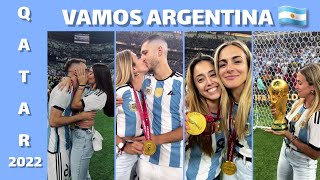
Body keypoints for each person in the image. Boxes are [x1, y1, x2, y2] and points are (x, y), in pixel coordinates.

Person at [135, 34, 184, 179]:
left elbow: (189, 128)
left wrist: (156, 140)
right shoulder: (143, 82)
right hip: (146, 159)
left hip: (174, 164)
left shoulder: (183, 84)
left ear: (160, 51)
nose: (142, 57)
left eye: (145, 52)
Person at [267, 63, 320, 180]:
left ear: (313, 87)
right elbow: (286, 124)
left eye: (300, 83)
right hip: (285, 153)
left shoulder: (317, 115)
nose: (295, 86)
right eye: (296, 81)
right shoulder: (298, 103)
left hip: (303, 163)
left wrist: (288, 135)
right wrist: (278, 115)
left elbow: (315, 154)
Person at [47, 58, 96, 180]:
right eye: (85, 70)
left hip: (66, 143)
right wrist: (80, 117)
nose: (87, 72)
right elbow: (53, 121)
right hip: (57, 147)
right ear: (76, 72)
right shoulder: (64, 90)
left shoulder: (72, 88)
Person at [214, 40, 253, 179]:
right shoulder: (224, 101)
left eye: (237, 61)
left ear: (249, 65)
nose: (229, 68)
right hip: (232, 161)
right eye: (222, 64)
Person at [184, 53, 226, 180]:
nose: (209, 82)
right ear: (195, 86)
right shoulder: (188, 113)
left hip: (216, 174)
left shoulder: (230, 109)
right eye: (200, 79)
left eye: (213, 75)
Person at [70, 63, 114, 180]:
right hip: (80, 133)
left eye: (90, 72)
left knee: (77, 175)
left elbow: (75, 105)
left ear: (98, 76)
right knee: (83, 174)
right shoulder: (91, 91)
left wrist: (82, 84)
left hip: (83, 137)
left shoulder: (100, 94)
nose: (87, 74)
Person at [115, 49, 149, 180]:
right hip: (124, 152)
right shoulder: (120, 93)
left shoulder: (144, 89)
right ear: (133, 69)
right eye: (138, 58)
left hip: (142, 149)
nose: (143, 59)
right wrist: (123, 145)